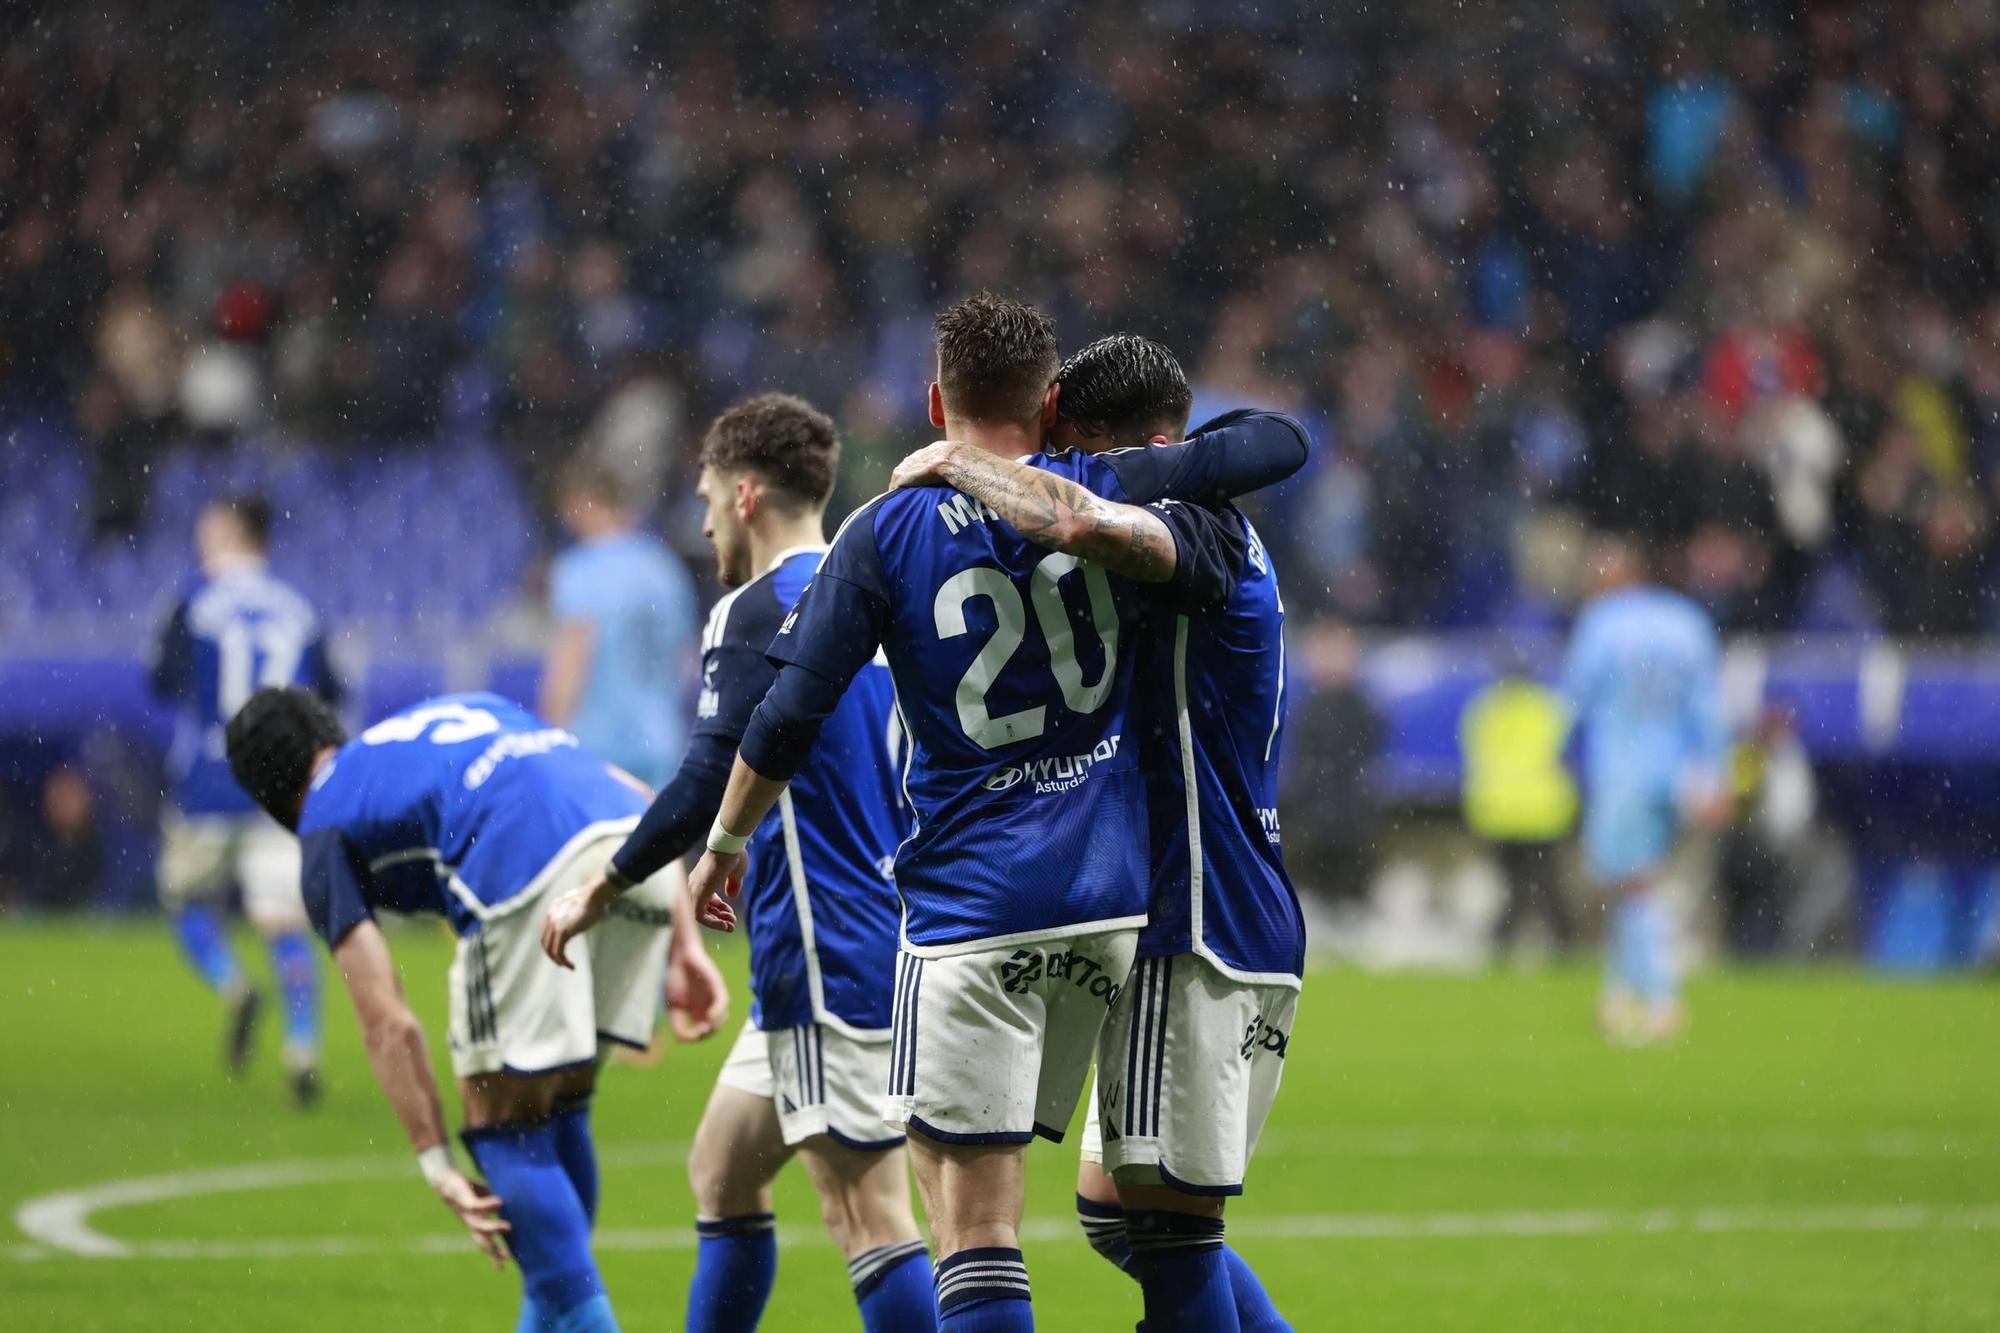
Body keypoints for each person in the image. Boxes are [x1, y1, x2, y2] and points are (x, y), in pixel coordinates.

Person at [685, 294, 1308, 1332]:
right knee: (1124, 1218)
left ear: (935, 400)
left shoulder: (919, 522)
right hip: (1114, 904)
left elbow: (787, 708)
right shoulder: (1106, 489)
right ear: (1047, 401)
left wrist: (722, 841)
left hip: (1022, 901)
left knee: (985, 1227)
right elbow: (1263, 443)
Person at [915, 333, 1302, 1332]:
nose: (1055, 475)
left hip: (1197, 905)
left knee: (1171, 1238)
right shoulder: (1201, 511)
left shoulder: (1191, 525)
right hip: (1201, 897)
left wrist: (972, 461)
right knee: (1114, 1209)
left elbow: (1268, 442)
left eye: (1073, 452)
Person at [540, 394, 932, 1333]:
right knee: (722, 1168)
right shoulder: (879, 588)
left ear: (748, 495)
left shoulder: (754, 609)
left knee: (867, 1213)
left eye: (711, 497)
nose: (705, 518)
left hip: (825, 942)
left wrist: (608, 881)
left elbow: (709, 767)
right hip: (886, 927)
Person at [225, 687, 726, 1333]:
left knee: (500, 1119)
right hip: (636, 844)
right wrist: (685, 943)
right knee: (556, 1102)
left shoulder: (323, 825)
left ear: (265, 792)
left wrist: (436, 1162)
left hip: (528, 867)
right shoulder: (449, 713)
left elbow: (387, 1019)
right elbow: (621, 783)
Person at [149, 493, 341, 1105]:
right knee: (283, 921)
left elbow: (159, 681)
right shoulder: (299, 607)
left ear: (232, 532)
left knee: (184, 901)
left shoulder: (195, 601)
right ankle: (302, 1046)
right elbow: (331, 692)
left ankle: (233, 984)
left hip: (209, 777)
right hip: (280, 783)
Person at [1562, 534, 1730, 1044]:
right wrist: (1715, 776)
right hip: (1679, 771)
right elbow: (1709, 706)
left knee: (1633, 886)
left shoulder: (1601, 623)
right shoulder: (1688, 621)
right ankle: (1616, 998)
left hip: (1624, 769)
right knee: (1636, 880)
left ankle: (1662, 998)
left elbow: (1575, 697)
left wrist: (1559, 754)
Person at [541, 458, 698, 790]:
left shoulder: (580, 568)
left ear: (583, 501)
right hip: (659, 740)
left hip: (598, 744)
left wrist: (550, 732)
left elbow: (573, 654)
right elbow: (685, 657)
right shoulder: (665, 566)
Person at [1460, 649, 1580, 955]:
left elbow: (1477, 761)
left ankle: (1503, 944)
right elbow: (1563, 756)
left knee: (1510, 886)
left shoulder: (1484, 710)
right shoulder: (1550, 708)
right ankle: (1563, 946)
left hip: (1498, 812)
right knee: (1548, 885)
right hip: (1543, 811)